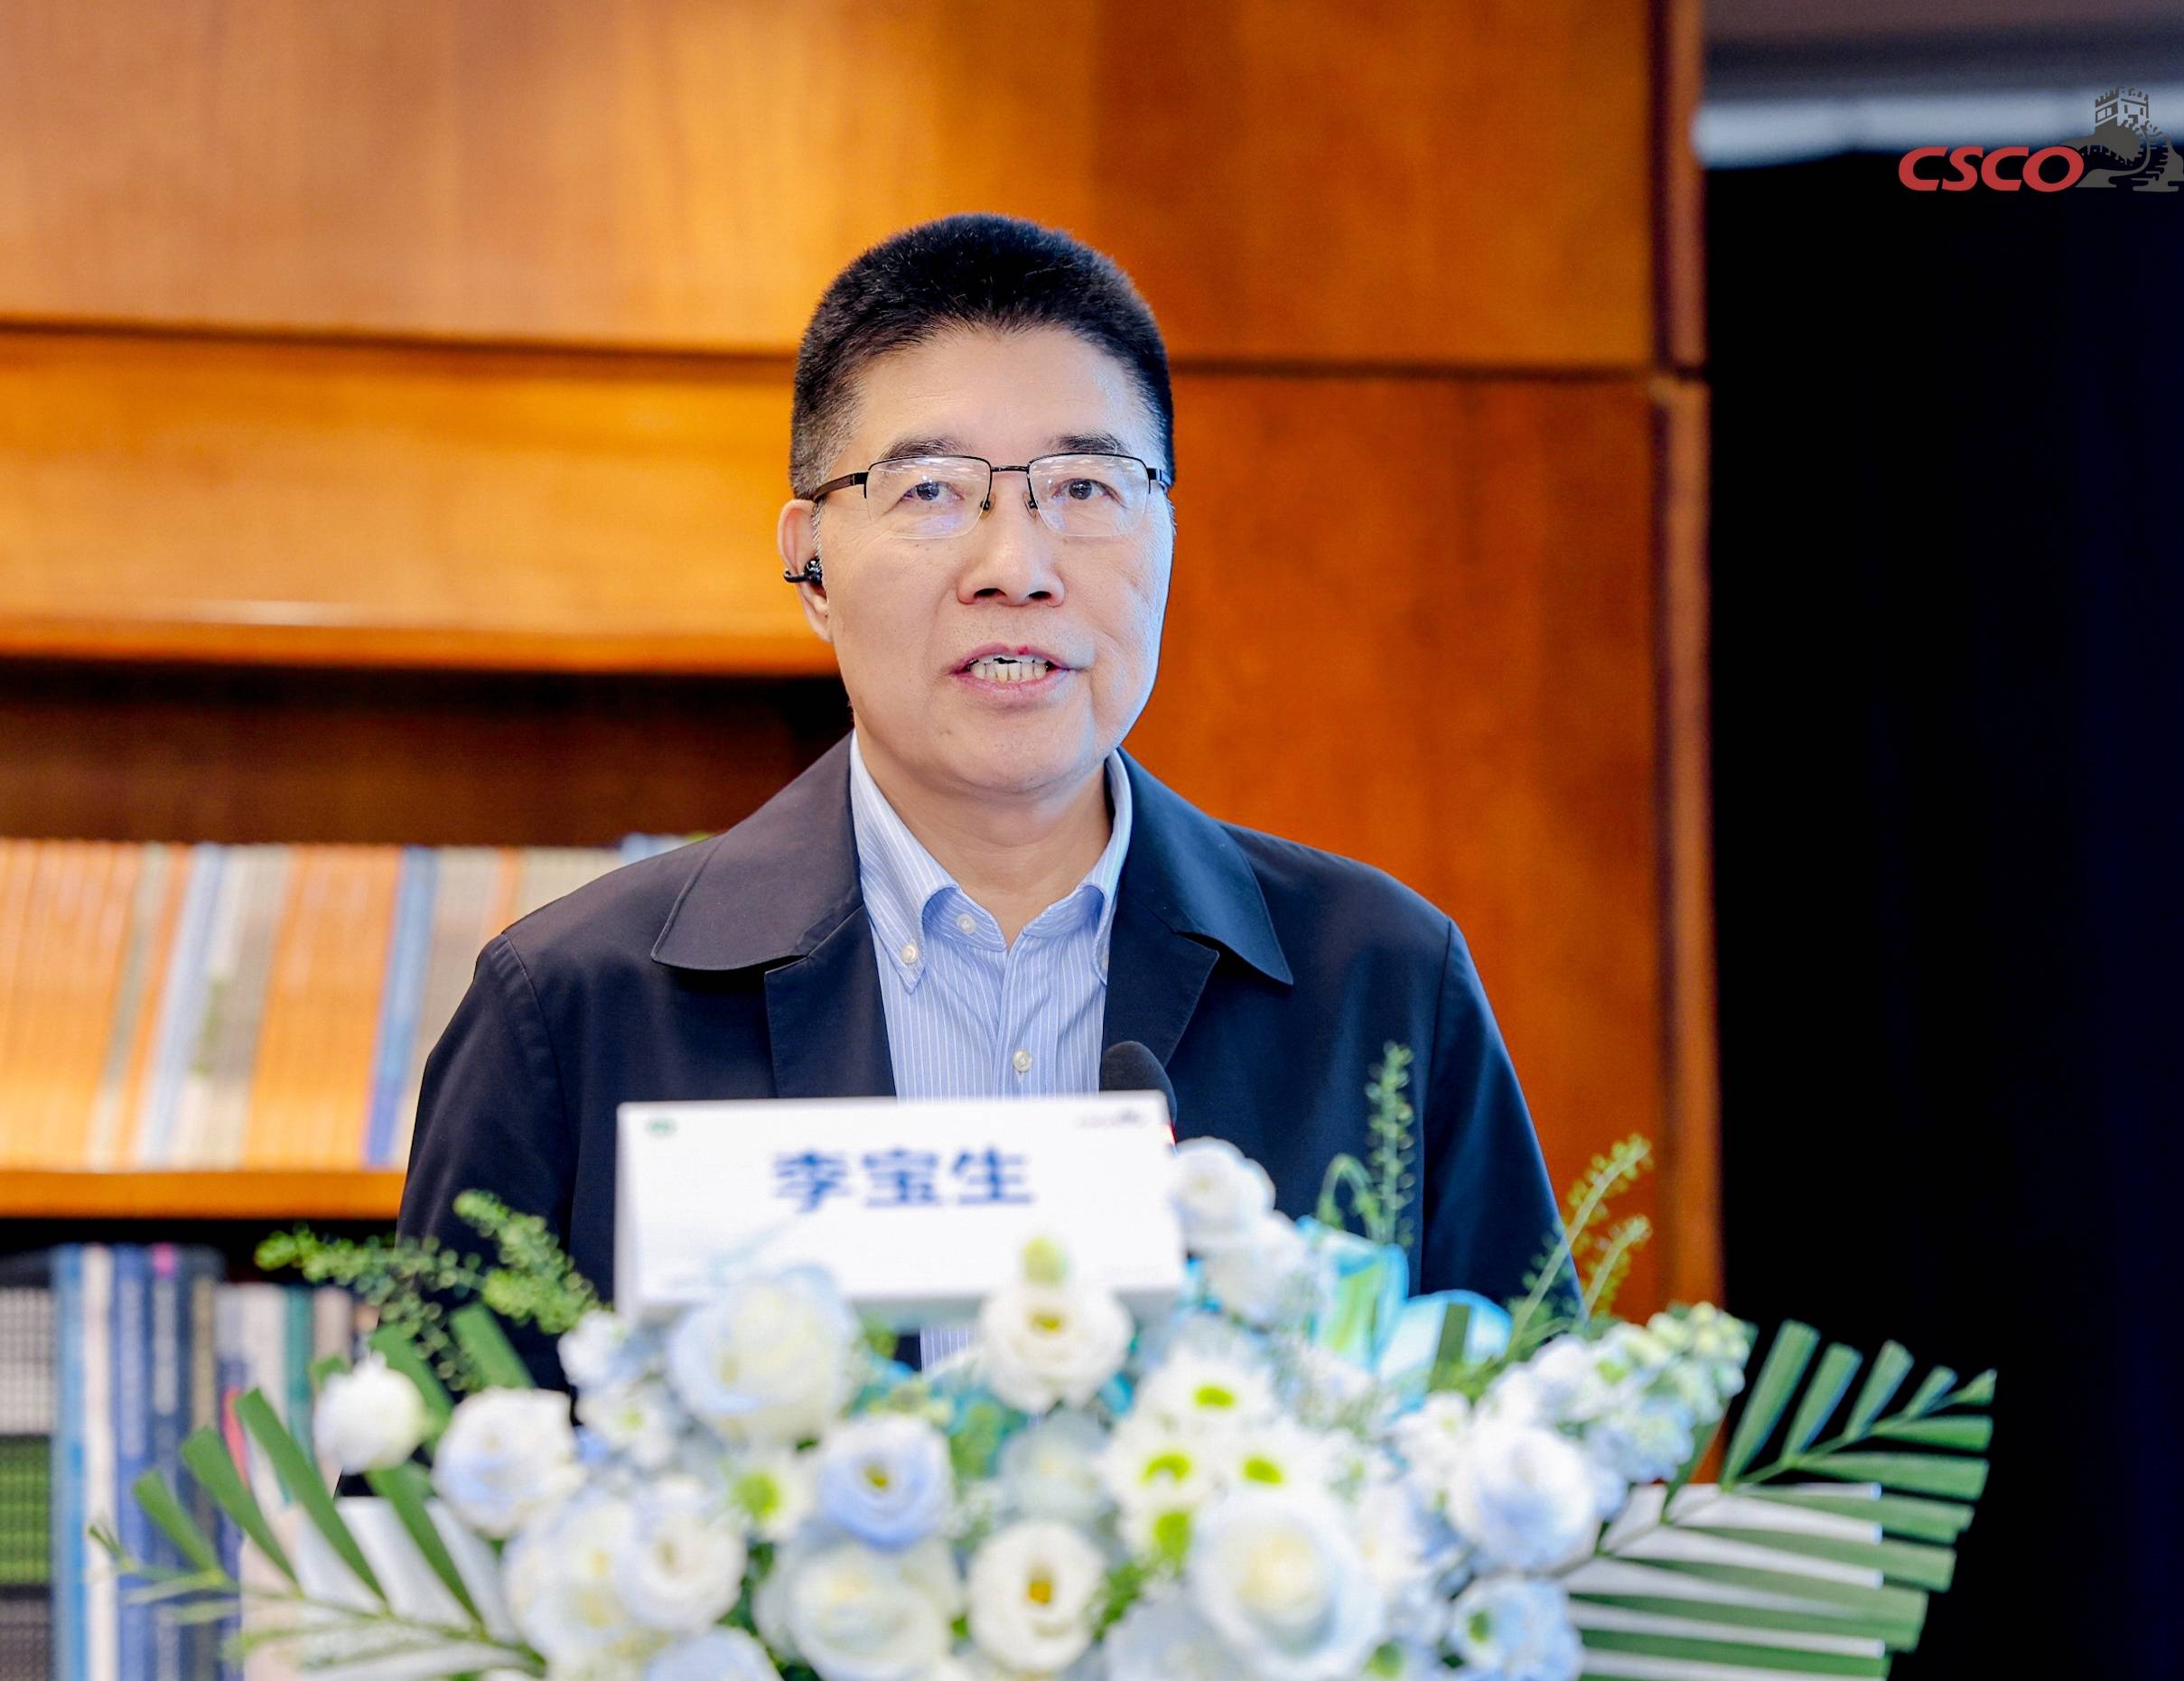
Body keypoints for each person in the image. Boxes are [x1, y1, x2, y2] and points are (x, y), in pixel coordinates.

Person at [397, 212, 1558, 1376]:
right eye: (931, 492)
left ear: (1166, 533)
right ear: (810, 563)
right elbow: (433, 1482)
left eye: (1085, 487)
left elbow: (1545, 1450)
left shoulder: (1383, 982)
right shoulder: (573, 1010)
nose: (1016, 568)